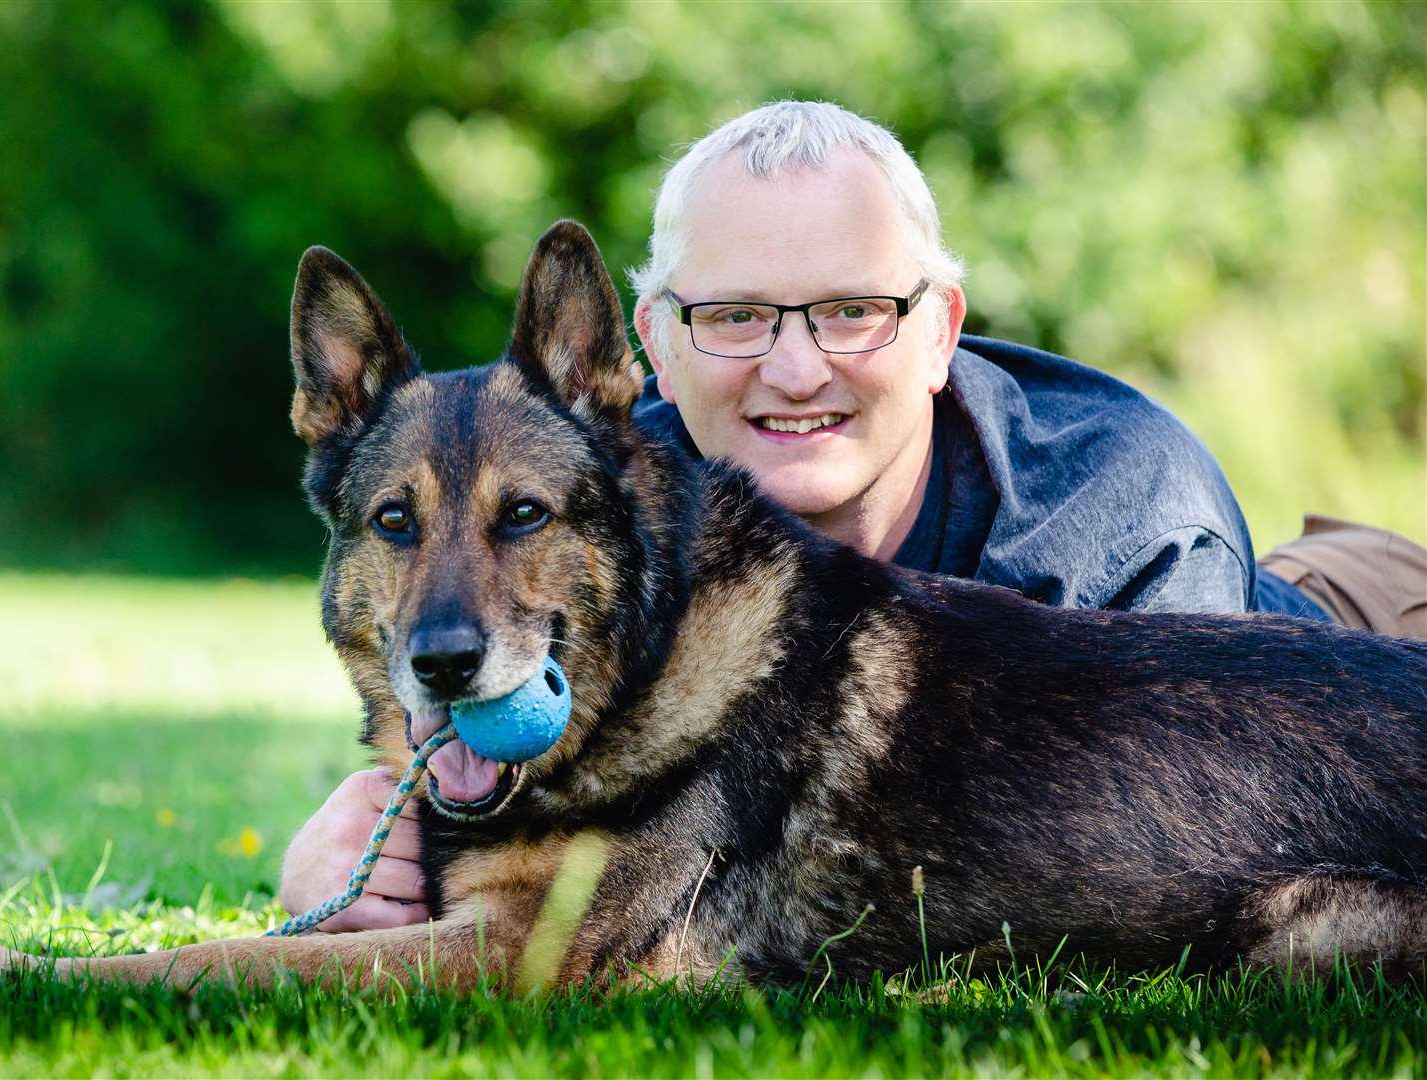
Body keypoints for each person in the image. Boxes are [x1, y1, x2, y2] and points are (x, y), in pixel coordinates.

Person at [280, 100, 1427, 932]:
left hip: (1337, 623)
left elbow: (1196, 833)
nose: (791, 369)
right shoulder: (619, 485)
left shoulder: (1123, 515)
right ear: (654, 353)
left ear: (940, 332)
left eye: (850, 310)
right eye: (734, 315)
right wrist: (375, 825)